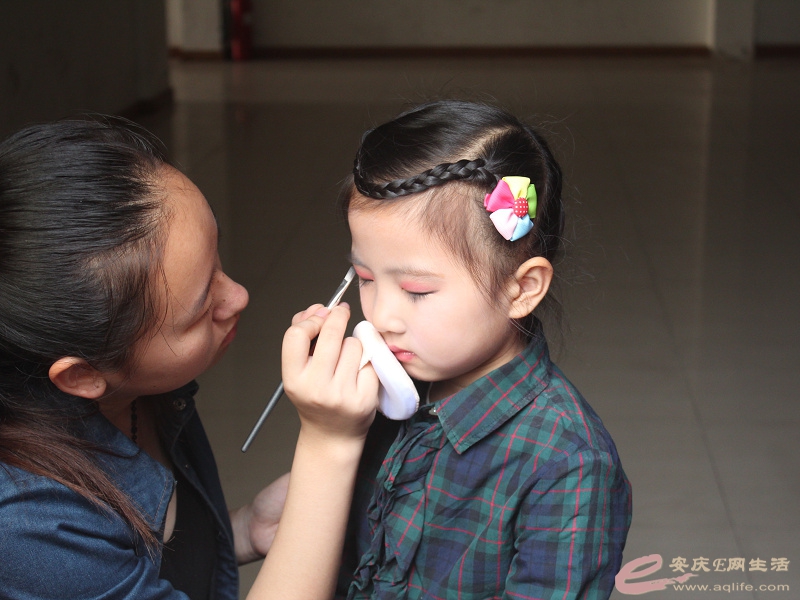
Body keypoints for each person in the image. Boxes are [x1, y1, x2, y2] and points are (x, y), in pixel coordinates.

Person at [0, 117, 379, 600]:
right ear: (83, 374)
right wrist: (328, 444)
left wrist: (243, 530)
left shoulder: (146, 389)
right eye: (201, 310)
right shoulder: (27, 529)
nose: (238, 296)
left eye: (217, 258)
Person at [335, 100, 632, 599]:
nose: (381, 316)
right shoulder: (379, 392)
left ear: (521, 289)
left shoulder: (567, 464)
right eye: (364, 278)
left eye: (417, 290)